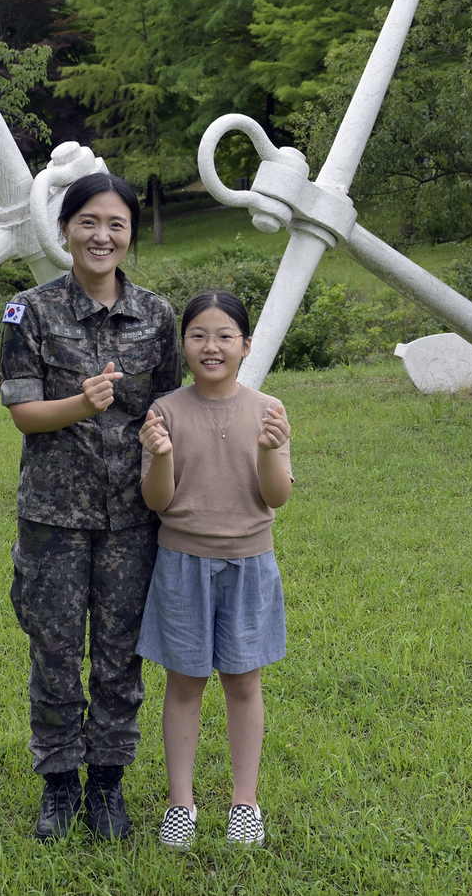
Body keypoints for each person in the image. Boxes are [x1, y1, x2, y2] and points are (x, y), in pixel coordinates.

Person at [0, 171, 181, 842]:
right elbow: (23, 413)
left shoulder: (158, 316)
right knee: (52, 651)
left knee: (119, 654)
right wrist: (83, 402)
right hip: (54, 516)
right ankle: (57, 784)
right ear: (66, 229)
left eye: (116, 225)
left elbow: (170, 409)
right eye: (88, 222)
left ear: (130, 235)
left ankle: (106, 782)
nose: (102, 236)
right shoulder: (30, 311)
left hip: (134, 517)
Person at [136, 289, 293, 850]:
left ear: (246, 346)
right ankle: (181, 805)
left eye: (225, 335)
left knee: (244, 683)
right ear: (183, 345)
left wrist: (273, 449)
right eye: (199, 335)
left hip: (251, 562)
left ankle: (244, 804)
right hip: (182, 563)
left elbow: (276, 496)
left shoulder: (267, 409)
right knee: (184, 685)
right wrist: (159, 454)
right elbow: (159, 501)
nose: (211, 346)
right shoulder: (166, 411)